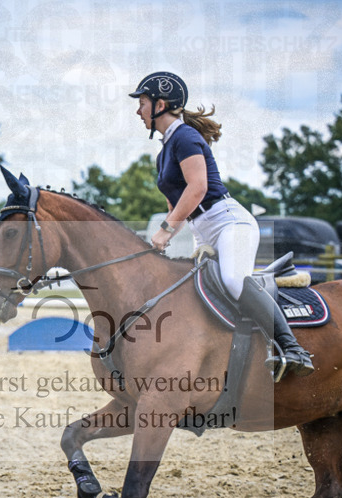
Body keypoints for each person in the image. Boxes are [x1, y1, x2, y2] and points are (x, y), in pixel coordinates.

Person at [130, 71, 314, 379]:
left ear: (161, 104)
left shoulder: (186, 137)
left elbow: (198, 187)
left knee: (233, 279)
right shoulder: (164, 152)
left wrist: (165, 228)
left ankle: (292, 347)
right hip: (204, 231)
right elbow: (176, 204)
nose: (138, 110)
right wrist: (161, 239)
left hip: (229, 223)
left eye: (143, 102)